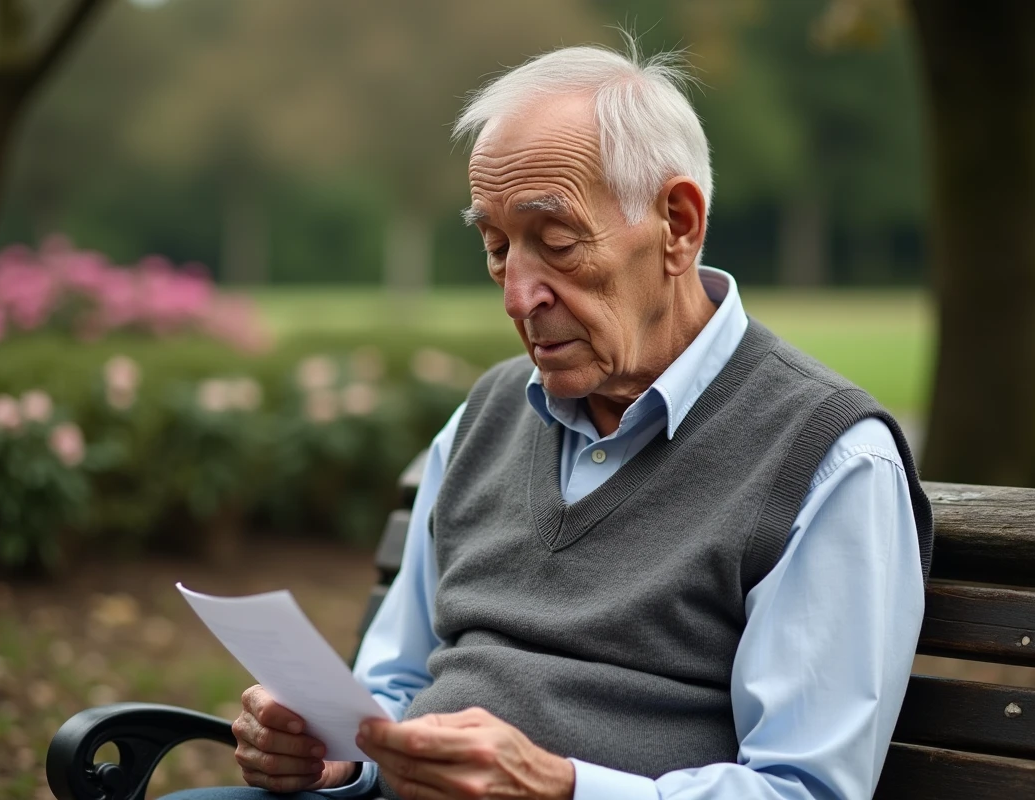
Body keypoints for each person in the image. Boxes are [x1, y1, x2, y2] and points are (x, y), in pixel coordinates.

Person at [164, 40, 932, 800]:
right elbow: (393, 682)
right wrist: (338, 751)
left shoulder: (832, 460)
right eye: (497, 249)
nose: (517, 294)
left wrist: (562, 789)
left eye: (556, 243)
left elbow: (803, 789)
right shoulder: (486, 415)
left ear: (678, 223)